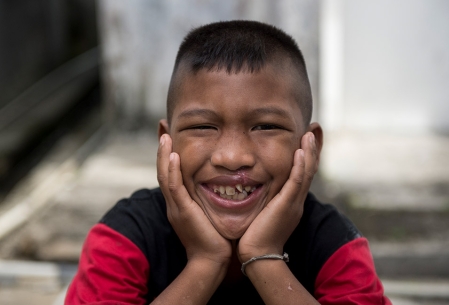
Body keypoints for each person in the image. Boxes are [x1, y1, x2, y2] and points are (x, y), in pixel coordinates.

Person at [65, 20, 391, 305]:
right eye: (202, 127)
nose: (233, 157)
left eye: (266, 126)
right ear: (167, 141)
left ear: (310, 146)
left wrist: (264, 257)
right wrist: (205, 263)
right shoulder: (126, 239)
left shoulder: (333, 246)